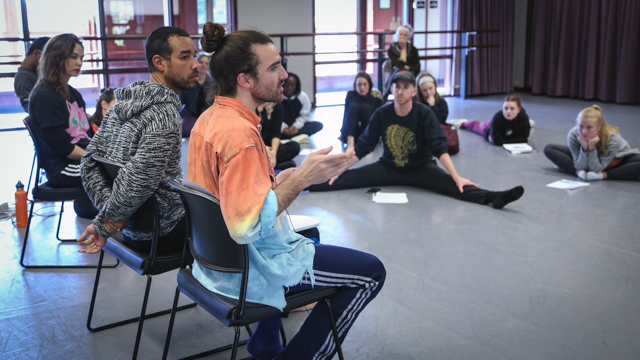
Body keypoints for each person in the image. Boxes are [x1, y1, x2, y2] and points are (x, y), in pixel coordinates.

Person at [189, 22, 386, 360]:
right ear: (245, 80)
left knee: (311, 237)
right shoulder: (240, 136)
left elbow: (230, 198)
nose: (284, 74)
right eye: (274, 67)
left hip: (211, 260)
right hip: (248, 266)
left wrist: (278, 180)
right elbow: (245, 226)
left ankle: (265, 341)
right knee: (370, 273)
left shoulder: (210, 118)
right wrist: (301, 180)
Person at [308, 70, 525, 210]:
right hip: (389, 167)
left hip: (421, 168)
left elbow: (439, 147)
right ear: (391, 89)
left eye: (405, 87)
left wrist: (456, 175)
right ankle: (302, 184)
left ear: (413, 91)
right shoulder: (383, 114)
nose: (400, 91)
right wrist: (341, 169)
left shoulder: (423, 113)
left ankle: (492, 197)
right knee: (340, 179)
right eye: (396, 86)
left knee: (455, 186)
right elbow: (364, 146)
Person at [77, 26, 200, 255]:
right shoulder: (165, 115)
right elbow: (138, 178)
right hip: (162, 235)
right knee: (240, 229)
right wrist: (110, 220)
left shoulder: (118, 108)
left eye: (194, 55)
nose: (196, 64)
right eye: (185, 57)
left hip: (131, 230)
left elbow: (88, 163)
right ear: (160, 63)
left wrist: (111, 217)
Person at [27, 33, 97, 219]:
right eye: (73, 57)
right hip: (63, 168)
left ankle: (130, 224)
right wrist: (100, 157)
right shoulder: (45, 96)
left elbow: (89, 136)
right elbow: (63, 149)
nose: (80, 62)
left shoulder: (73, 93)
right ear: (57, 57)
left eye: (81, 58)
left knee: (129, 169)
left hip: (81, 161)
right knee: (119, 175)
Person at [543, 105, 640, 181]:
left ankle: (604, 176)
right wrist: (585, 148)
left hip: (614, 161)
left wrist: (592, 148)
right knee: (549, 148)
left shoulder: (614, 139)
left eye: (589, 128)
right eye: (581, 126)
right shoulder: (574, 134)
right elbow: (580, 166)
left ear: (599, 127)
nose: (584, 132)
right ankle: (577, 173)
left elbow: (597, 168)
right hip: (584, 159)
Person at [453, 95, 531, 146]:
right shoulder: (498, 117)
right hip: (489, 127)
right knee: (476, 126)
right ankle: (462, 122)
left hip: (505, 130)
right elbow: (495, 140)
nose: (508, 112)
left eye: (512, 109)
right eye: (506, 108)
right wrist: (515, 140)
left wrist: (503, 140)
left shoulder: (524, 117)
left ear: (519, 109)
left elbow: (524, 139)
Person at [415, 72, 458, 155]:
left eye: (431, 88)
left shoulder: (441, 102)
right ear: (419, 91)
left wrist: (433, 106)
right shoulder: (416, 103)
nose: (428, 93)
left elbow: (439, 121)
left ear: (435, 86)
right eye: (424, 90)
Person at [339, 72, 384, 151]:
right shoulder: (351, 95)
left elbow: (379, 120)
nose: (362, 87)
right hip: (351, 133)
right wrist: (342, 131)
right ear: (355, 86)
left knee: (365, 108)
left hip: (368, 135)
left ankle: (366, 144)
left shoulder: (375, 98)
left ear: (369, 85)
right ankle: (350, 143)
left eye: (365, 84)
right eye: (359, 84)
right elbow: (346, 115)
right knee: (353, 107)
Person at [257, 102, 300, 170]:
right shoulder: (250, 105)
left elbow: (276, 133)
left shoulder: (276, 106)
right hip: (256, 146)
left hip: (271, 147)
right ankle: (276, 164)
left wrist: (273, 153)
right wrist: (262, 147)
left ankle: (268, 163)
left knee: (294, 146)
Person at [179, 53, 214, 137]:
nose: (203, 65)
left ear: (209, 66)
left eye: (206, 63)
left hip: (207, 116)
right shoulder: (188, 81)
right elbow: (180, 101)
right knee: (187, 130)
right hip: (191, 114)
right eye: (201, 62)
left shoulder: (213, 84)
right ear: (196, 63)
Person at [280, 72, 323, 140]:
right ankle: (293, 136)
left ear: (296, 86)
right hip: (281, 128)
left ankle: (293, 135)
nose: (289, 88)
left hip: (298, 127)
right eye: (287, 85)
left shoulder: (302, 96)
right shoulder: (277, 97)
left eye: (292, 85)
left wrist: (296, 126)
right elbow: (274, 118)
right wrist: (283, 128)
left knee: (318, 125)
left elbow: (304, 116)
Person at [383, 25, 420, 99]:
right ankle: (384, 98)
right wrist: (403, 49)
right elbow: (397, 64)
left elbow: (417, 67)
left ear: (408, 37)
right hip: (397, 73)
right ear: (397, 35)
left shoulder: (413, 50)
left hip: (410, 73)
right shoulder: (392, 49)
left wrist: (409, 68)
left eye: (405, 35)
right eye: (401, 34)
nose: (403, 36)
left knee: (407, 75)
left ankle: (414, 100)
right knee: (401, 72)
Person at [14, 37, 50, 112]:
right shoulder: (23, 77)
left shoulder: (34, 73)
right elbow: (31, 108)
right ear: (37, 54)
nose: (48, 65)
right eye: (47, 60)